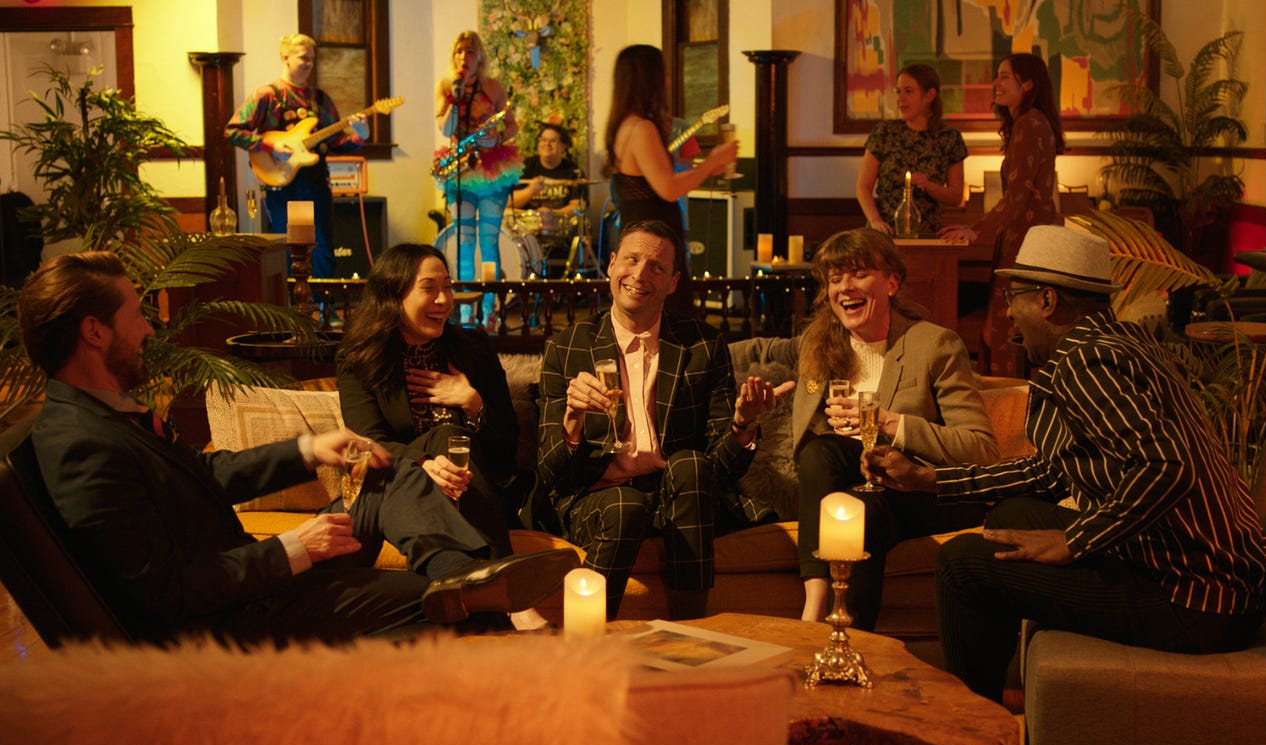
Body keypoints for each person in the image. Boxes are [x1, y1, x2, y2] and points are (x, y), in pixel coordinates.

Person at [18, 251, 578, 645]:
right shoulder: (81, 446)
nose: (149, 328)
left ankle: (467, 576)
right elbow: (164, 594)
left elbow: (207, 473)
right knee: (445, 604)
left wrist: (308, 449)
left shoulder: (103, 414)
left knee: (387, 471)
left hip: (253, 585)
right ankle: (484, 614)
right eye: (136, 314)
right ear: (94, 332)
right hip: (238, 617)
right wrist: (294, 548)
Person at [865, 225, 1266, 706]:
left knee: (961, 565)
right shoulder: (1121, 340)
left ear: (1047, 300)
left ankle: (973, 732)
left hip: (1198, 599)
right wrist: (931, 479)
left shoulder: (1086, 361)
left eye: (1013, 297)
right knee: (1013, 515)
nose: (1007, 311)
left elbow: (1167, 466)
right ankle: (995, 695)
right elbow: (1052, 470)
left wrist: (1075, 541)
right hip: (1222, 579)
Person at [736, 228, 998, 630]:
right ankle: (831, 620)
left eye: (858, 274)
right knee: (840, 480)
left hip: (919, 490)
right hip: (858, 491)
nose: (845, 287)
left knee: (840, 474)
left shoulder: (934, 345)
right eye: (835, 278)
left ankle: (827, 629)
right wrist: (676, 348)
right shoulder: (819, 344)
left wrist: (887, 421)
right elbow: (759, 349)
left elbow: (981, 449)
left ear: (891, 283)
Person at [536, 219, 788, 620]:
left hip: (679, 495)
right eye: (631, 260)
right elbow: (552, 473)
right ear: (612, 264)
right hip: (600, 496)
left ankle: (691, 628)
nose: (639, 274)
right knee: (625, 505)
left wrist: (743, 424)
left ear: (672, 283)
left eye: (656, 267)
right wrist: (572, 419)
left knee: (689, 465)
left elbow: (720, 470)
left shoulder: (702, 344)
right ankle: (584, 637)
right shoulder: (567, 347)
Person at [335, 243, 553, 628]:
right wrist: (420, 467)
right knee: (445, 439)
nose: (443, 299)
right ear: (393, 295)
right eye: (429, 288)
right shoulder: (360, 359)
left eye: (448, 287)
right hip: (400, 493)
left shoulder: (472, 348)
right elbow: (370, 440)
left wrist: (473, 403)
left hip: (479, 491)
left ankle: (486, 606)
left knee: (451, 437)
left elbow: (506, 446)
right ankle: (506, 595)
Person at [941, 53, 1064, 377]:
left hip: (1027, 246)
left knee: (1005, 332)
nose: (996, 83)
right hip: (1024, 241)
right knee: (1000, 330)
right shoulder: (1028, 123)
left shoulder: (1031, 124)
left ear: (1028, 84)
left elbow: (1017, 197)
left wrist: (976, 230)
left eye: (1005, 76)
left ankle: (1008, 402)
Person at [226, 33, 367, 278]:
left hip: (315, 183)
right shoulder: (267, 95)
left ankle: (321, 299)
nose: (309, 63)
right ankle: (288, 300)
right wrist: (271, 146)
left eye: (312, 58)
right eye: (303, 57)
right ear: (285, 57)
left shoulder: (320, 100)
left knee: (321, 249)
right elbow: (233, 131)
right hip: (281, 185)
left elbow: (336, 142)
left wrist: (360, 136)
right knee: (285, 248)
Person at [604, 44, 737, 278]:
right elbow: (669, 188)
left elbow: (654, 181)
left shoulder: (624, 125)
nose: (667, 81)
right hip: (651, 244)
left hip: (641, 239)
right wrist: (712, 161)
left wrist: (705, 169)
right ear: (648, 80)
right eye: (662, 74)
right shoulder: (641, 128)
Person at [434, 30, 522, 303]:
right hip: (459, 171)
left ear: (480, 56)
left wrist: (497, 137)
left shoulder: (493, 87)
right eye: (459, 51)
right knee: (464, 242)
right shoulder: (446, 87)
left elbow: (512, 126)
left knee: (488, 241)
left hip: (491, 170)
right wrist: (454, 97)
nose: (464, 56)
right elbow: (445, 129)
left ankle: (489, 311)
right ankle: (464, 311)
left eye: (470, 51)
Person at [857, 63, 967, 235]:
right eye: (898, 91)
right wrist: (875, 221)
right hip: (884, 233)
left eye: (908, 91)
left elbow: (956, 196)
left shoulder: (949, 138)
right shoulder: (885, 132)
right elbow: (863, 187)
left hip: (926, 234)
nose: (900, 98)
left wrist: (928, 185)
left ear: (929, 95)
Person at [509, 123, 583, 218]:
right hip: (527, 223)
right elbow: (507, 203)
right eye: (543, 140)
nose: (547, 144)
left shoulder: (574, 171)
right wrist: (530, 191)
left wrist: (553, 213)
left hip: (560, 223)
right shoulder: (523, 167)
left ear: (563, 147)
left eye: (553, 141)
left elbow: (579, 207)